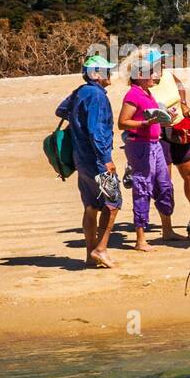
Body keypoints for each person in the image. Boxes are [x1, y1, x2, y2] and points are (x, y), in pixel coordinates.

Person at [58, 54, 121, 268]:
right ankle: (100, 249)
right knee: (112, 203)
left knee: (91, 205)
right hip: (97, 159)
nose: (110, 74)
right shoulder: (96, 95)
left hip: (80, 158)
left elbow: (61, 110)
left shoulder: (80, 92)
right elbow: (96, 131)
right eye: (106, 71)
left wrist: (77, 123)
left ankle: (89, 254)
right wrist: (106, 159)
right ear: (95, 74)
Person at [117, 54, 180, 251]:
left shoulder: (147, 94)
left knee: (164, 185)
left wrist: (166, 117)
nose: (155, 75)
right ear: (140, 75)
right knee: (142, 187)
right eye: (151, 73)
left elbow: (152, 118)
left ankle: (167, 230)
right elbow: (122, 123)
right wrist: (145, 123)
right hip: (140, 146)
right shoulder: (133, 95)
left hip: (155, 144)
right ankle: (140, 239)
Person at [160, 70, 190, 214]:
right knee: (164, 181)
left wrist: (183, 102)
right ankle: (167, 228)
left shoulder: (167, 74)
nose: (162, 65)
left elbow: (180, 85)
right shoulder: (143, 81)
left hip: (179, 128)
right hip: (159, 134)